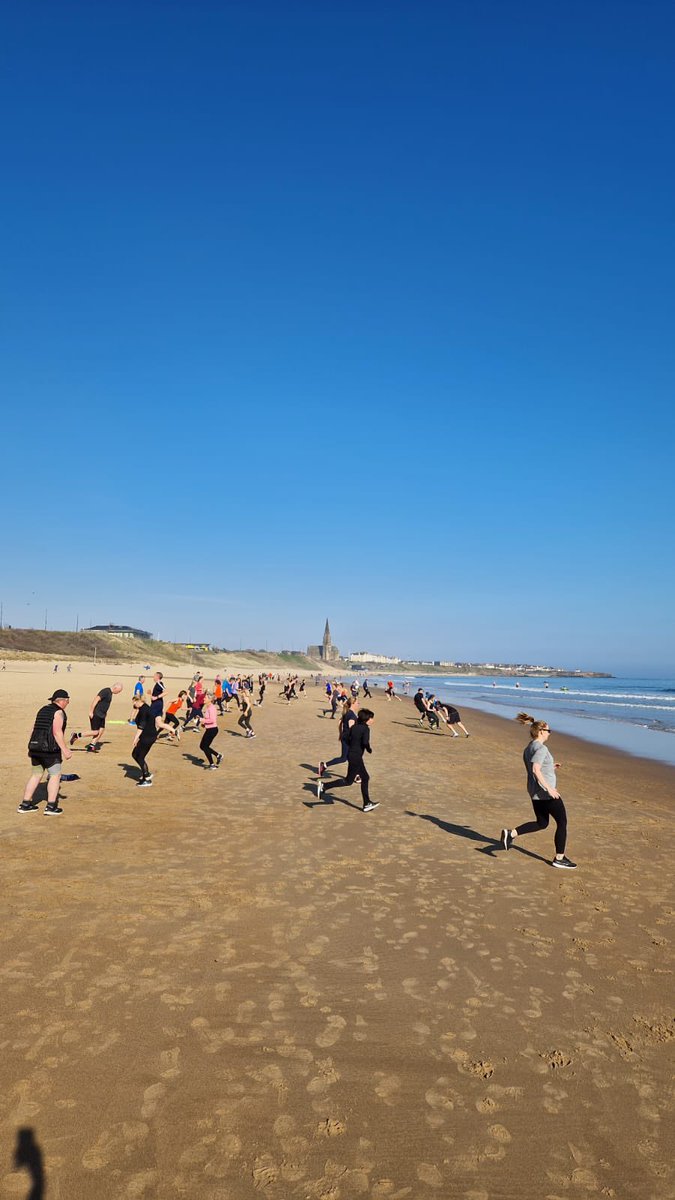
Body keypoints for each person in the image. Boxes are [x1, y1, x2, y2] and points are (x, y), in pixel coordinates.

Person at [501, 713, 576, 869]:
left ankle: (511, 834)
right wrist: (550, 789)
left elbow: (535, 767)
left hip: (535, 793)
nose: (549, 733)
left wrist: (551, 766)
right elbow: (535, 769)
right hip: (546, 794)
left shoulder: (528, 748)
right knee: (562, 822)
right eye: (548, 731)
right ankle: (559, 858)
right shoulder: (541, 748)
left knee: (542, 823)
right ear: (541, 731)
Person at [19, 688, 73, 814]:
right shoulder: (59, 713)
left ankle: (25, 804)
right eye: (68, 701)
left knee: (36, 774)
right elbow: (57, 732)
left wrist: (31, 745)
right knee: (55, 775)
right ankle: (51, 806)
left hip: (35, 747)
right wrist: (65, 750)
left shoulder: (43, 710)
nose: (68, 704)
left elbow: (34, 728)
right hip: (49, 750)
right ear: (63, 701)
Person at [318, 708, 379, 812]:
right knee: (357, 779)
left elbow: (345, 737)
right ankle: (366, 803)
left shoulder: (354, 727)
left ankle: (324, 786)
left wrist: (352, 746)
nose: (373, 720)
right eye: (371, 718)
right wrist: (369, 749)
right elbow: (365, 742)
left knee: (353, 780)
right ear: (367, 719)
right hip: (356, 757)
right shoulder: (365, 729)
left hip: (352, 755)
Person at [70, 682, 123, 751]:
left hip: (102, 715)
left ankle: (91, 745)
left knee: (102, 729)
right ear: (115, 688)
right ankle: (76, 735)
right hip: (96, 714)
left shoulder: (110, 693)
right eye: (118, 691)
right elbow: (96, 699)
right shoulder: (106, 691)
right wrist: (91, 711)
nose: (118, 693)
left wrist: (105, 713)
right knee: (95, 732)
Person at [318, 697, 359, 778]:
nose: (358, 704)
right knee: (350, 758)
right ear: (353, 704)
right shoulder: (351, 715)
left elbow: (339, 722)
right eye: (357, 703)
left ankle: (356, 775)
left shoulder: (347, 713)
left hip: (345, 738)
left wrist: (341, 733)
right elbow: (352, 729)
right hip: (348, 740)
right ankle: (356, 775)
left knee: (347, 758)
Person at [130, 695, 159, 786]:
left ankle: (146, 778)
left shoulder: (143, 710)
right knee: (135, 754)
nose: (133, 704)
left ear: (138, 701)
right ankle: (147, 774)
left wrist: (135, 738)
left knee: (139, 756)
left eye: (134, 702)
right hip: (148, 736)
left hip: (147, 737)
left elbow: (141, 727)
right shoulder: (145, 707)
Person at [199, 691, 222, 767]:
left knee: (204, 747)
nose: (204, 699)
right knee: (203, 746)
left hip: (212, 730)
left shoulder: (211, 708)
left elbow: (212, 720)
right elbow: (209, 719)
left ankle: (212, 764)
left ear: (210, 699)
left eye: (205, 698)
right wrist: (204, 724)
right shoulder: (208, 707)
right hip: (210, 729)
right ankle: (218, 755)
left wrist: (202, 720)